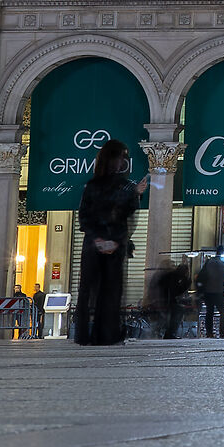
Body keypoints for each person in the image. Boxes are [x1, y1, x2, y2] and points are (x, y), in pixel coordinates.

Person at [73, 139, 142, 346]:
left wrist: (136, 194)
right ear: (111, 158)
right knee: (92, 288)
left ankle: (105, 333)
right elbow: (85, 215)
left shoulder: (124, 185)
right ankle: (90, 333)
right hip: (101, 242)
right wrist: (101, 239)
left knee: (111, 289)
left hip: (108, 242)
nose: (124, 161)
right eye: (121, 156)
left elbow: (127, 214)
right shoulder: (98, 186)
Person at [152, 255, 190, 339]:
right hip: (165, 301)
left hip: (164, 300)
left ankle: (166, 332)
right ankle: (169, 333)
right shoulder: (172, 277)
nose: (173, 267)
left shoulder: (169, 275)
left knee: (170, 316)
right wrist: (187, 281)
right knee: (175, 314)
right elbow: (175, 291)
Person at [196, 248, 224, 338]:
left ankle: (209, 333)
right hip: (217, 291)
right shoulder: (222, 264)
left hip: (208, 292)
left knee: (209, 311)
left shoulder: (208, 263)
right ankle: (222, 331)